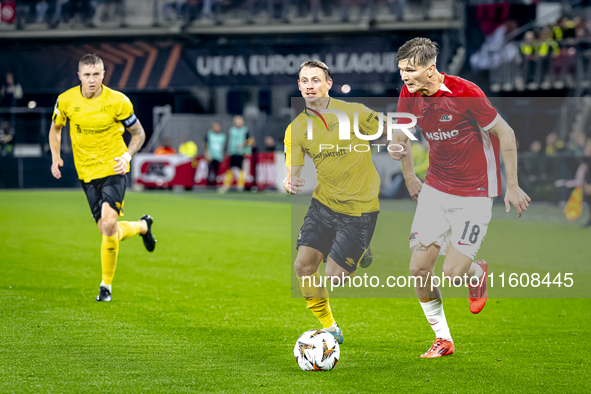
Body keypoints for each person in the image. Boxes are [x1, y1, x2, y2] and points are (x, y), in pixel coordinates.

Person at [388, 38, 530, 358]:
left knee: (452, 273)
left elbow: (505, 133)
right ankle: (443, 339)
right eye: (401, 71)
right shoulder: (409, 93)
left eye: (410, 71)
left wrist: (513, 185)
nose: (404, 77)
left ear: (431, 69)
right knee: (418, 269)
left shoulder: (466, 93)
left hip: (475, 194)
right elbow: (400, 133)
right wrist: (409, 174)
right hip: (436, 190)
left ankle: (477, 272)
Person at [284, 60, 404, 344]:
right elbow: (293, 170)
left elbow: (394, 131)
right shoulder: (296, 128)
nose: (310, 85)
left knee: (334, 276)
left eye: (316, 79)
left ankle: (361, 251)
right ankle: (330, 327)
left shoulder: (355, 112)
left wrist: (394, 143)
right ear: (299, 86)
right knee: (303, 265)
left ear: (328, 84)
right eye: (304, 80)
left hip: (360, 208)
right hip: (323, 205)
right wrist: (289, 181)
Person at [49, 54, 157, 302]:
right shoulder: (66, 100)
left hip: (113, 170)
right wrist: (55, 157)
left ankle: (105, 287)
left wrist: (127, 157)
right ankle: (142, 226)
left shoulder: (118, 101)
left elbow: (138, 133)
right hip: (86, 175)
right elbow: (55, 129)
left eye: (96, 74)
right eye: (87, 75)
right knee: (108, 231)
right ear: (79, 76)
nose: (91, 80)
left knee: (108, 225)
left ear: (103, 75)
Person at [220, 115, 253, 193]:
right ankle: (226, 185)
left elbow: (250, 140)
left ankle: (240, 186)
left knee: (240, 169)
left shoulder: (245, 130)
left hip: (241, 152)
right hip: (232, 152)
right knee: (230, 169)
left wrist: (244, 144)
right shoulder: (231, 130)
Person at [204, 121, 226, 189]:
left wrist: (223, 155)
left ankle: (215, 185)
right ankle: (208, 185)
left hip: (218, 156)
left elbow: (224, 147)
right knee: (210, 170)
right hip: (211, 155)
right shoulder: (209, 134)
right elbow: (205, 144)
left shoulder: (222, 136)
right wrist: (207, 154)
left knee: (217, 171)